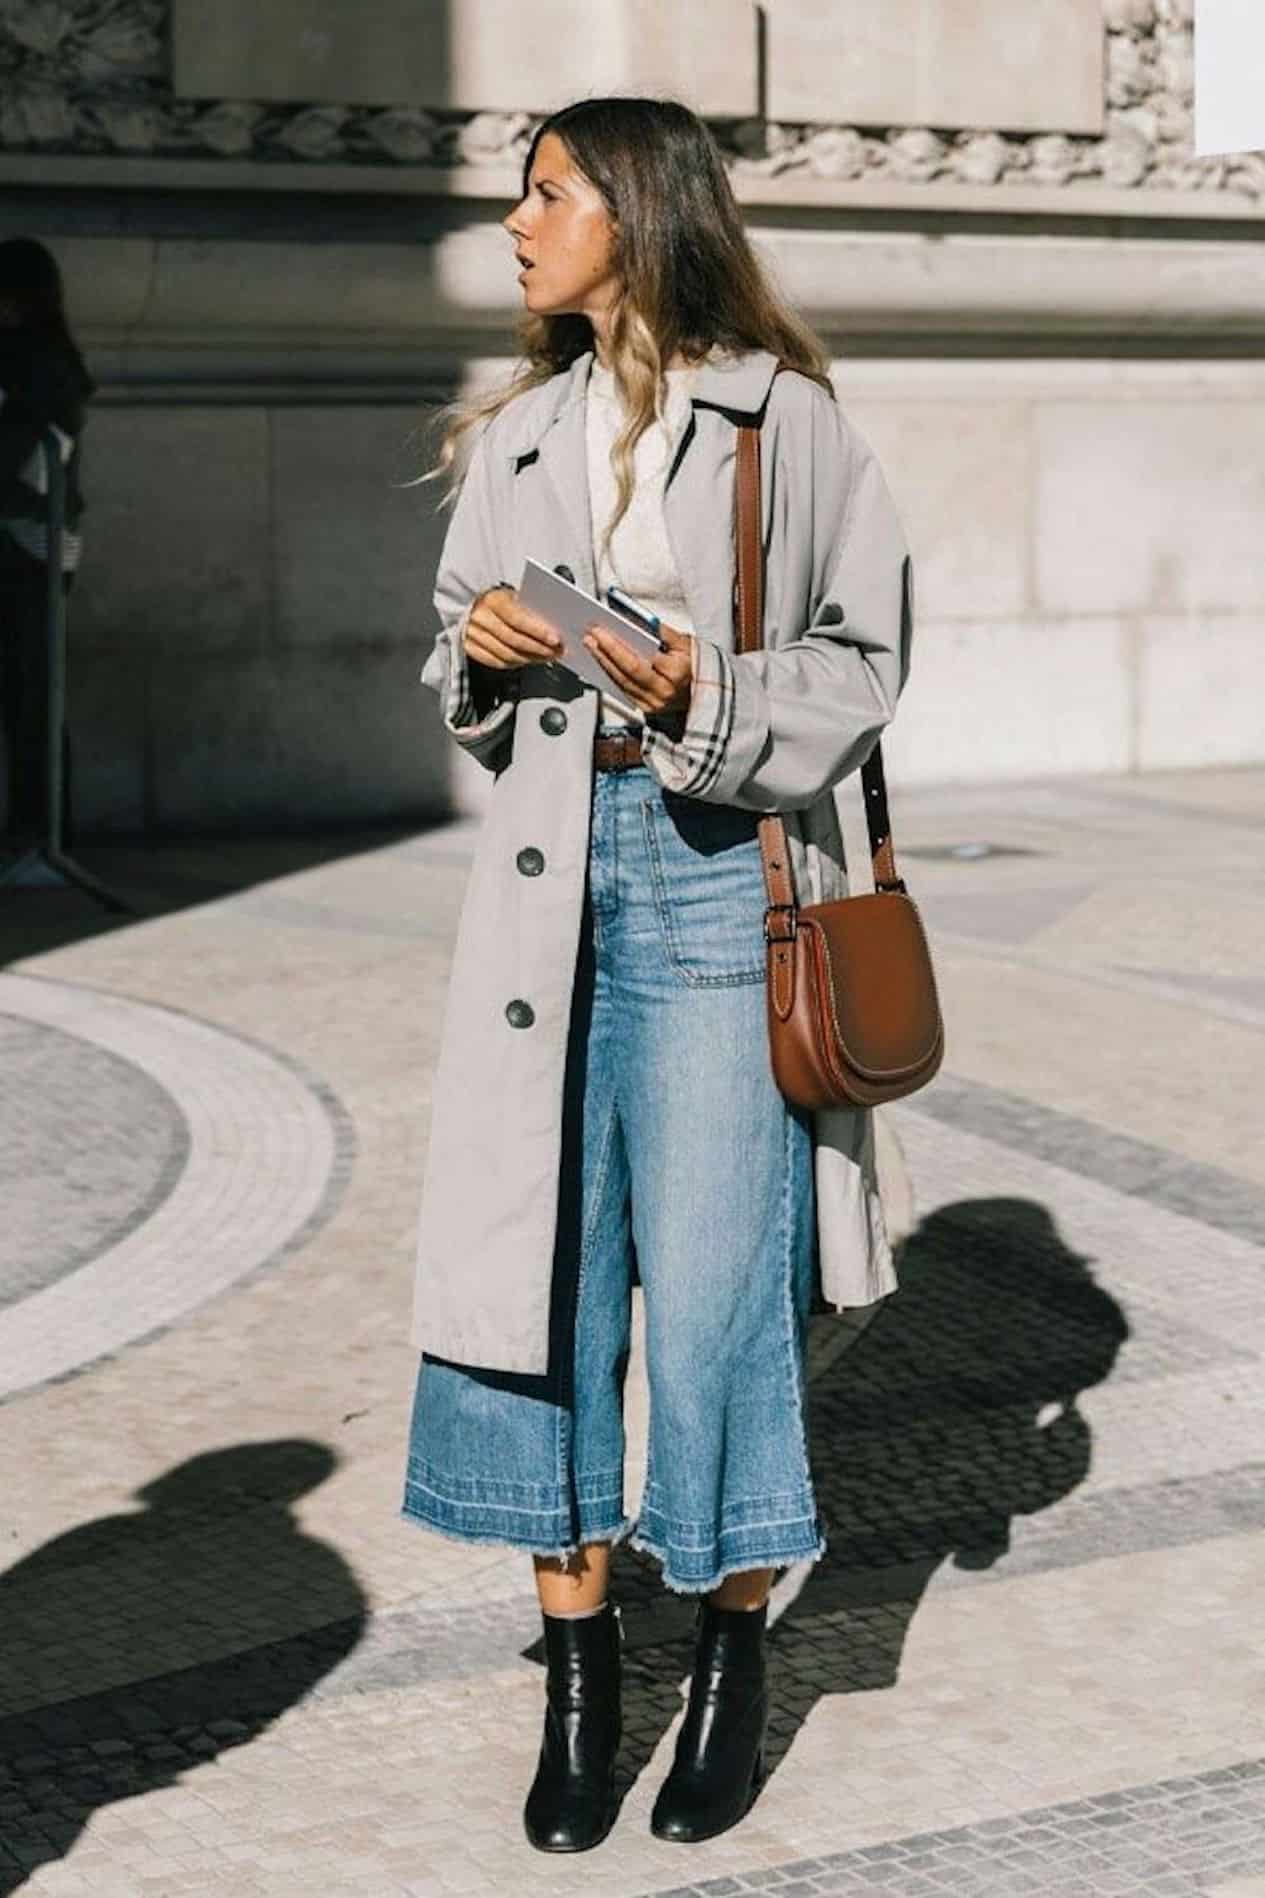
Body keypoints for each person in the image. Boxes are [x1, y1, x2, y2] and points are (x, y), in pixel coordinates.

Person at [401, 97, 914, 1853]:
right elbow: (459, 644)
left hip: (722, 883)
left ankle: (727, 1658)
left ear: (635, 208)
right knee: (545, 1279)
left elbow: (864, 666)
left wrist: (696, 679)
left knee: (710, 1298)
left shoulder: (793, 425)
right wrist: (479, 645)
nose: (519, 225)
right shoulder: (523, 430)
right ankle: (576, 1678)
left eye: (546, 195)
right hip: (551, 890)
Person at [0, 237, 94, 854]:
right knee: (28, 691)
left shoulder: (40, 362)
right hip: (36, 538)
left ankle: (42, 836)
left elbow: (35, 453)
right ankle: (37, 832)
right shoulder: (43, 356)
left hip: (32, 540)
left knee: (32, 691)